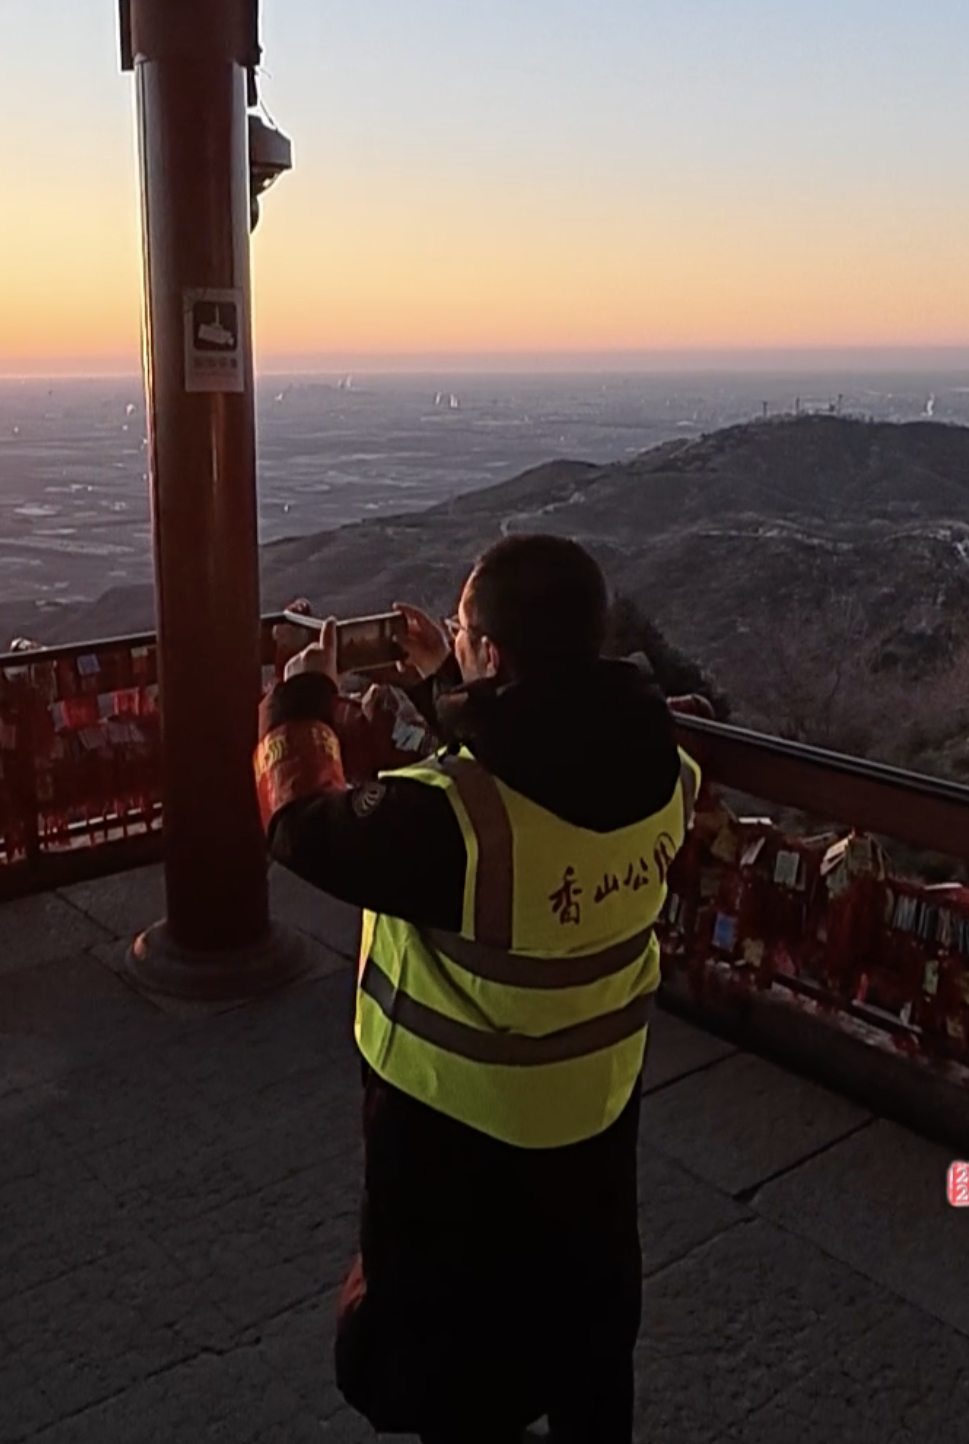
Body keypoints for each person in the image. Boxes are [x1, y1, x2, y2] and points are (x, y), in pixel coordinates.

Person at [255, 536, 700, 1444]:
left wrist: (299, 702)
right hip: (597, 1104)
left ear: (492, 654)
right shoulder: (664, 773)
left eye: (464, 635)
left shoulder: (450, 818)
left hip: (456, 1126)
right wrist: (440, 691)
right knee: (587, 1321)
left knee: (459, 1360)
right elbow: (549, 758)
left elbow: (302, 826)